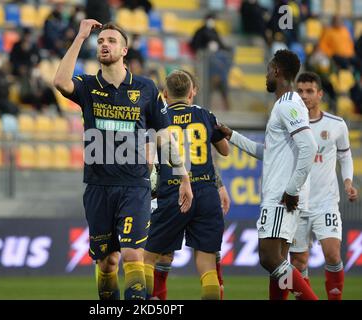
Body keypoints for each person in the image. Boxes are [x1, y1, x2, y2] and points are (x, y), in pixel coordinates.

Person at [53, 20, 193, 300]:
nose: (104, 44)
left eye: (111, 41)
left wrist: (183, 176)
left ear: (125, 50)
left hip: (134, 186)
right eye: (101, 41)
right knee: (107, 263)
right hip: (98, 187)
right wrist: (81, 36)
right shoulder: (88, 86)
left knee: (132, 255)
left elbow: (164, 136)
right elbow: (59, 82)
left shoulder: (145, 88)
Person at [216, 49, 319, 300]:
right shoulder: (286, 105)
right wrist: (232, 136)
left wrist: (292, 190)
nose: (265, 75)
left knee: (269, 257)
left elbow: (310, 147)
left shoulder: (287, 105)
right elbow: (268, 152)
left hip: (282, 195)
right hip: (284, 194)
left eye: (268, 69)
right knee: (278, 262)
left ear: (276, 70)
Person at [144, 70, 229, 300]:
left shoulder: (157, 119)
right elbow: (225, 150)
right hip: (206, 192)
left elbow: (147, 162)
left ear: (164, 94)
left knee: (146, 258)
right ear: (191, 93)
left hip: (173, 192)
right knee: (207, 265)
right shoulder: (205, 114)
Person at [289, 72, 358, 300]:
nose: (304, 96)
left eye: (309, 91)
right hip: (296, 204)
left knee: (332, 253)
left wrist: (348, 181)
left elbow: (345, 157)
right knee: (298, 262)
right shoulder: (288, 125)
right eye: (300, 91)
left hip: (326, 203)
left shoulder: (336, 125)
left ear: (320, 94)